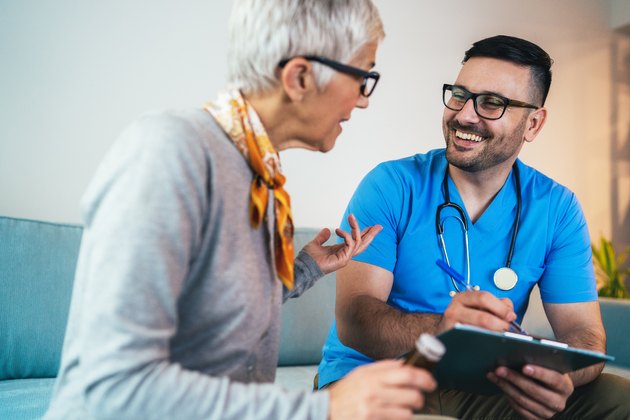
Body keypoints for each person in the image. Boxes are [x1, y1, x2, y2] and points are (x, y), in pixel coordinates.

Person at [43, 1, 437, 419]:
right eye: (362, 76)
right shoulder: (170, 151)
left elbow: (209, 313)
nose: (364, 101)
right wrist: (322, 409)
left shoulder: (257, 175)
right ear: (300, 77)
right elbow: (114, 385)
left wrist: (303, 270)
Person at [317, 35, 630, 419]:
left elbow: (585, 334)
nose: (465, 115)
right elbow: (355, 320)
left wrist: (555, 376)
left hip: (484, 385)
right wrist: (442, 328)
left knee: (618, 397)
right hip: (380, 377)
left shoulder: (556, 208)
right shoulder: (392, 184)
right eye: (460, 95)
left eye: (492, 103)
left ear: (533, 123)